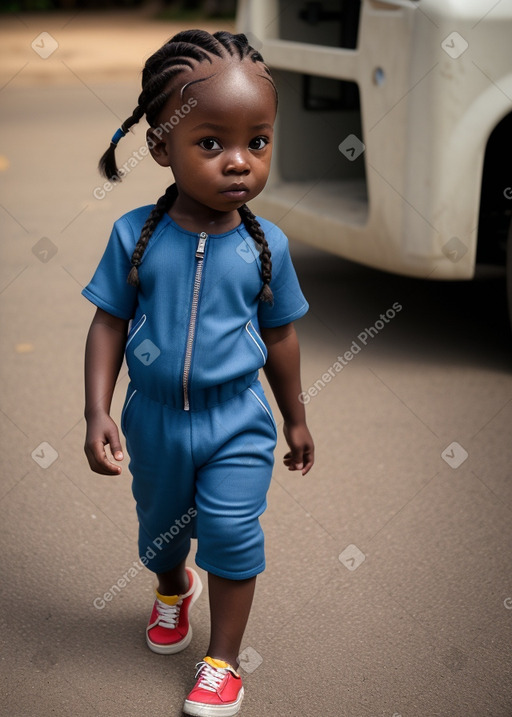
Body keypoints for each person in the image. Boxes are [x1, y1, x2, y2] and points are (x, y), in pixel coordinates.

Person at [82, 29, 314, 717]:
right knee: (160, 532)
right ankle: (171, 585)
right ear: (163, 148)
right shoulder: (133, 235)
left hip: (236, 419)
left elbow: (282, 335)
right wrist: (96, 410)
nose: (239, 162)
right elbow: (108, 325)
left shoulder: (266, 245)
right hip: (152, 419)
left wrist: (296, 416)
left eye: (258, 141)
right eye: (211, 143)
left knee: (234, 531)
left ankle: (224, 660)